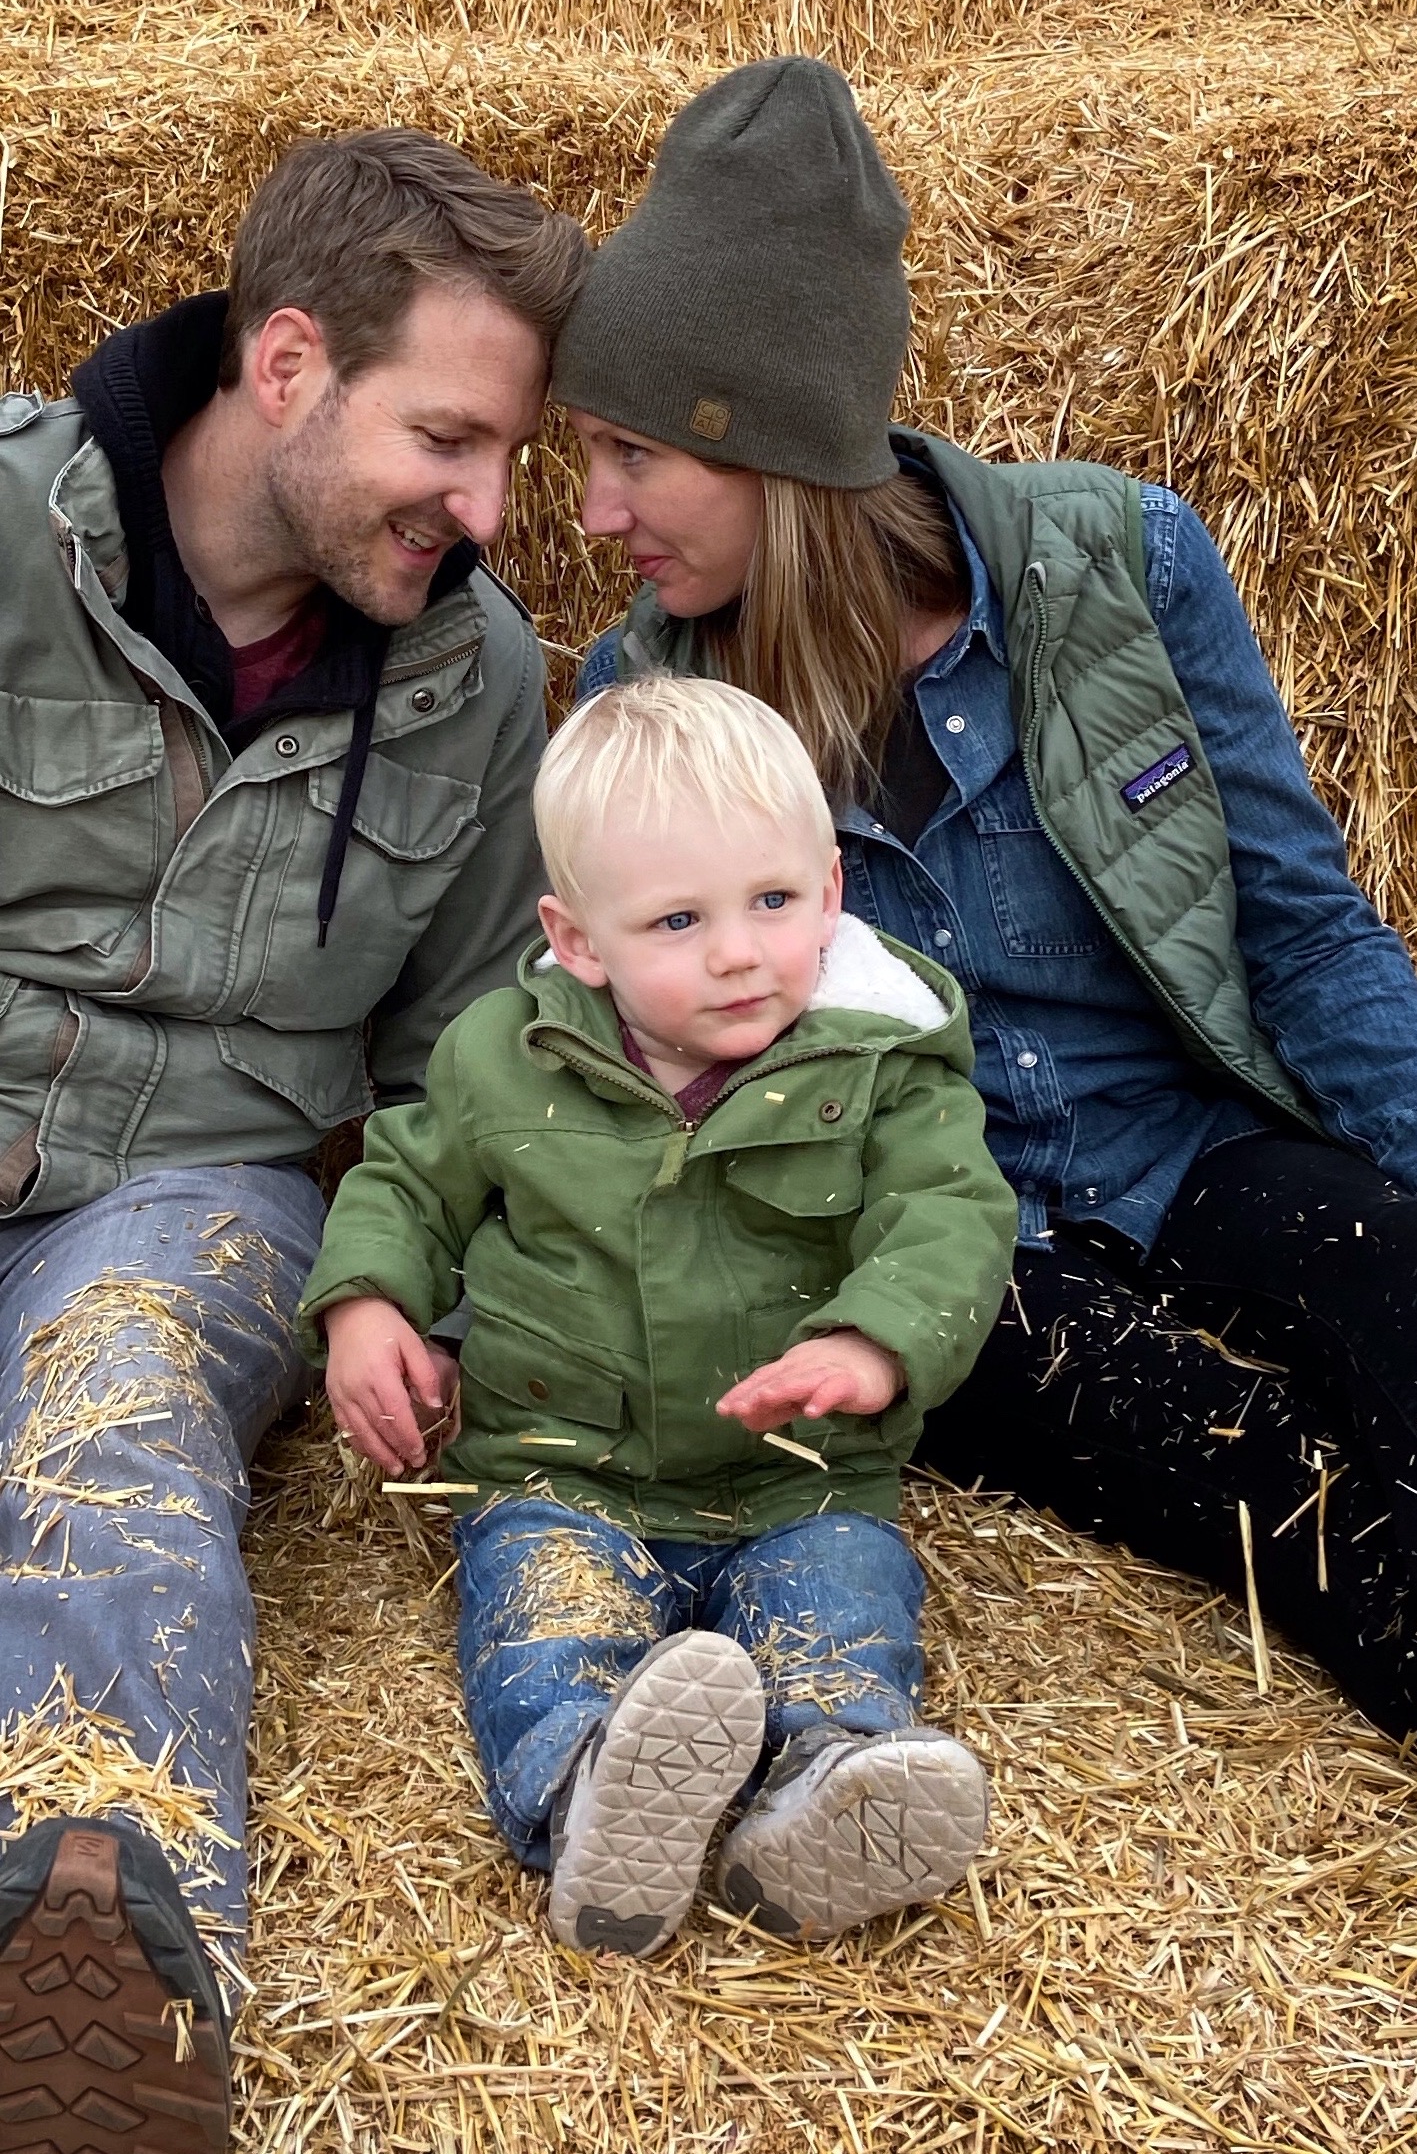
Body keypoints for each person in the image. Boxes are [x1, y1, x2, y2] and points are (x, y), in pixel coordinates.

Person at [549, 55, 1417, 1901]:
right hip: (953, 1240)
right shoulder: (639, 717)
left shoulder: (1110, 564)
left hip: (1183, 1139)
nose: (590, 513)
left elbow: (1294, 916)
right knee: (1267, 1488)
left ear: (771, 439)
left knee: (1403, 1281)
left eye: (629, 453)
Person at [0, 130, 586, 2147]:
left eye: (509, 452)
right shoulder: (8, 530)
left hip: (194, 1187)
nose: (489, 507)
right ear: (285, 370)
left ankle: (97, 1931)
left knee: (120, 1401)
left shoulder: (476, 678)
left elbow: (459, 1070)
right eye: (448, 436)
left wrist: (419, 1287)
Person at [298, 675, 1017, 1957]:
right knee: (543, 1621)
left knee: (839, 1615)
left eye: (775, 902)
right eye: (681, 919)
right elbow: (404, 1181)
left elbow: (950, 1216)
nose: (741, 951)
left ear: (833, 893)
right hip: (562, 1465)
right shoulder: (502, 1055)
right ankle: (590, 1792)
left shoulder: (882, 1065)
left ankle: (821, 1796)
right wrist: (365, 1303)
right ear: (580, 944)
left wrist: (872, 1340)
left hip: (795, 1480)